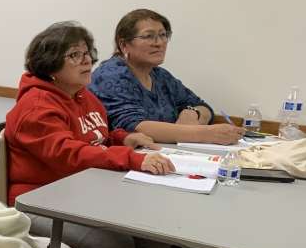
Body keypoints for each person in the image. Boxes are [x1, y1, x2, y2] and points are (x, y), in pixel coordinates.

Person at [5, 22, 175, 248]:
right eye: (74, 55)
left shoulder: (83, 97)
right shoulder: (36, 107)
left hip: (81, 195)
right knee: (117, 247)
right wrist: (132, 158)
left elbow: (95, 136)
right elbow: (71, 154)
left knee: (156, 240)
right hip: (38, 201)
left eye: (87, 54)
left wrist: (124, 137)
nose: (87, 62)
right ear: (51, 65)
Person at [90, 8, 243, 145]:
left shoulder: (160, 75)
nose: (159, 43)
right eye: (149, 36)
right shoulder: (110, 75)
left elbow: (203, 107)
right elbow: (134, 126)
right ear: (124, 44)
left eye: (163, 35)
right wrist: (206, 134)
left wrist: (192, 113)